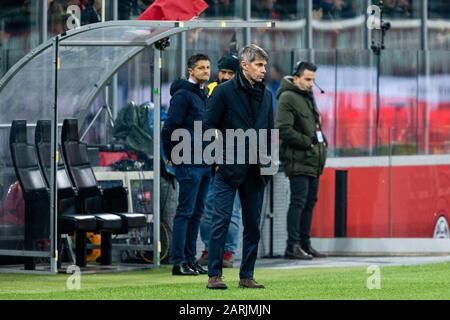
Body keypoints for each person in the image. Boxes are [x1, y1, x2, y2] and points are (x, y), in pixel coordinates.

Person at [204, 44, 274, 289]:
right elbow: (208, 127)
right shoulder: (223, 92)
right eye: (259, 65)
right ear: (244, 66)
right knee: (220, 221)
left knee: (253, 224)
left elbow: (270, 131)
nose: (264, 70)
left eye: (264, 65)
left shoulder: (267, 95)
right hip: (227, 168)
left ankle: (247, 276)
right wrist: (215, 160)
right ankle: (214, 276)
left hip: (255, 171)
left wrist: (268, 164)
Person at [161, 54, 212, 276]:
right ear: (191, 71)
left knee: (197, 212)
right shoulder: (183, 96)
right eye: (201, 68)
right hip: (189, 160)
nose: (206, 71)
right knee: (185, 211)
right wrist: (172, 154)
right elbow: (169, 127)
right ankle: (178, 261)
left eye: (208, 67)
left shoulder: (204, 95)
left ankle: (190, 259)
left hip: (205, 161)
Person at [275, 61, 327, 260]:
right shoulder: (288, 97)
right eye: (307, 79)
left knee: (309, 202)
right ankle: (293, 245)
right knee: (298, 202)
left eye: (313, 80)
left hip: (312, 159)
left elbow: (313, 126)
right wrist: (307, 142)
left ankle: (305, 244)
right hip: (298, 159)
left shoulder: (306, 96)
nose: (310, 83)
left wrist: (322, 144)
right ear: (296, 78)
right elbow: (283, 128)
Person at [198, 53, 241, 269]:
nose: (224, 76)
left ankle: (227, 252)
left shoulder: (241, 94)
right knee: (208, 207)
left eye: (229, 73)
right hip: (209, 159)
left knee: (231, 209)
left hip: (233, 160)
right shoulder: (208, 92)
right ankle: (209, 248)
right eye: (222, 72)